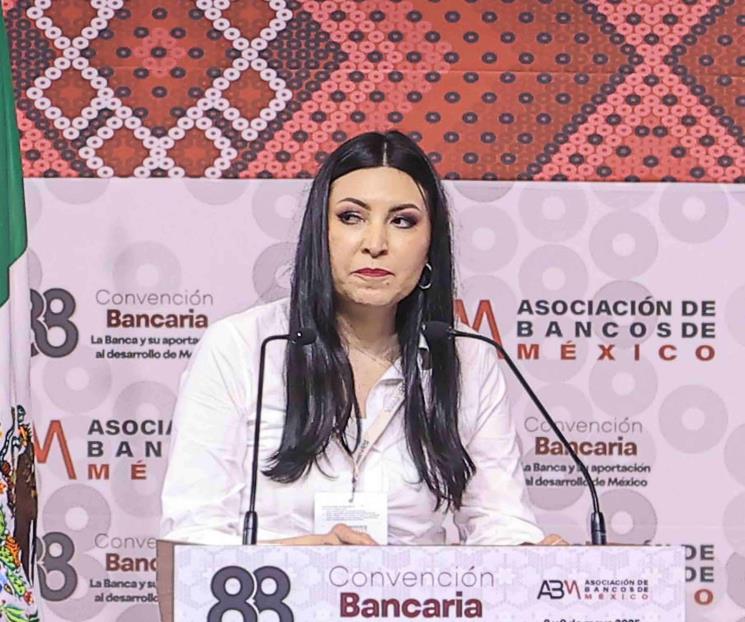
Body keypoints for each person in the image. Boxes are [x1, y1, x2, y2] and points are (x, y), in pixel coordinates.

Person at [160, 130, 556, 546]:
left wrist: (531, 554)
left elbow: (499, 519)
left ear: (429, 245)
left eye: (402, 221)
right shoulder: (242, 347)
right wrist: (304, 556)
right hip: (276, 589)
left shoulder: (467, 356)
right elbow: (192, 537)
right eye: (352, 217)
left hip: (413, 589)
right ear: (320, 231)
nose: (376, 244)